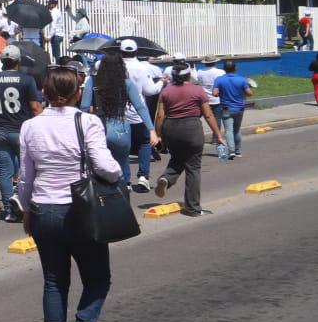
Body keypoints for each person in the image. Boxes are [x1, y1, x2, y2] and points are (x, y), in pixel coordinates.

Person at [18, 66, 120, 322]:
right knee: (97, 279)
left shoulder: (30, 126)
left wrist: (26, 209)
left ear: (44, 93)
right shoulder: (87, 122)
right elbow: (105, 166)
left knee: (54, 282)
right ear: (77, 92)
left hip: (43, 209)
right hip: (80, 210)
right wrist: (117, 173)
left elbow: (25, 176)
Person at [153, 63, 225, 217]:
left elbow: (160, 116)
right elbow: (208, 114)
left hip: (171, 129)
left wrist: (158, 135)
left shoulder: (166, 91)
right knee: (193, 168)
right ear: (189, 75)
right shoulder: (197, 90)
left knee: (177, 158)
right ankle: (193, 208)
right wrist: (218, 135)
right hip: (191, 128)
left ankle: (166, 178)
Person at [0, 45, 41, 222]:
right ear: (18, 61)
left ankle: (10, 211)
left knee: (5, 171)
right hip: (21, 130)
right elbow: (35, 107)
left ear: (2, 61)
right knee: (26, 169)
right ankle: (24, 206)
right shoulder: (27, 80)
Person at [81, 51, 157, 195]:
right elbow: (140, 107)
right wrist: (151, 129)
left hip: (98, 128)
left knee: (98, 165)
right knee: (122, 161)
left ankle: (104, 195)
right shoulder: (126, 83)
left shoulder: (92, 81)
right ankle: (125, 187)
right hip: (120, 128)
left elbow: (84, 107)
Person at [122, 41, 164, 189]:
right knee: (144, 143)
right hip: (138, 113)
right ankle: (143, 176)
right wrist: (161, 83)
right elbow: (150, 90)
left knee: (124, 148)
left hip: (120, 114)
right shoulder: (142, 67)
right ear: (136, 51)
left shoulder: (116, 67)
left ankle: (125, 181)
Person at [213, 60, 255, 160]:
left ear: (224, 69)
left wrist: (221, 93)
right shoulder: (242, 80)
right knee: (237, 130)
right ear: (235, 68)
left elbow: (214, 93)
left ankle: (231, 151)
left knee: (228, 130)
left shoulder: (219, 80)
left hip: (226, 108)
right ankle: (238, 151)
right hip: (239, 108)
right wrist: (250, 88)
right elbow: (249, 93)